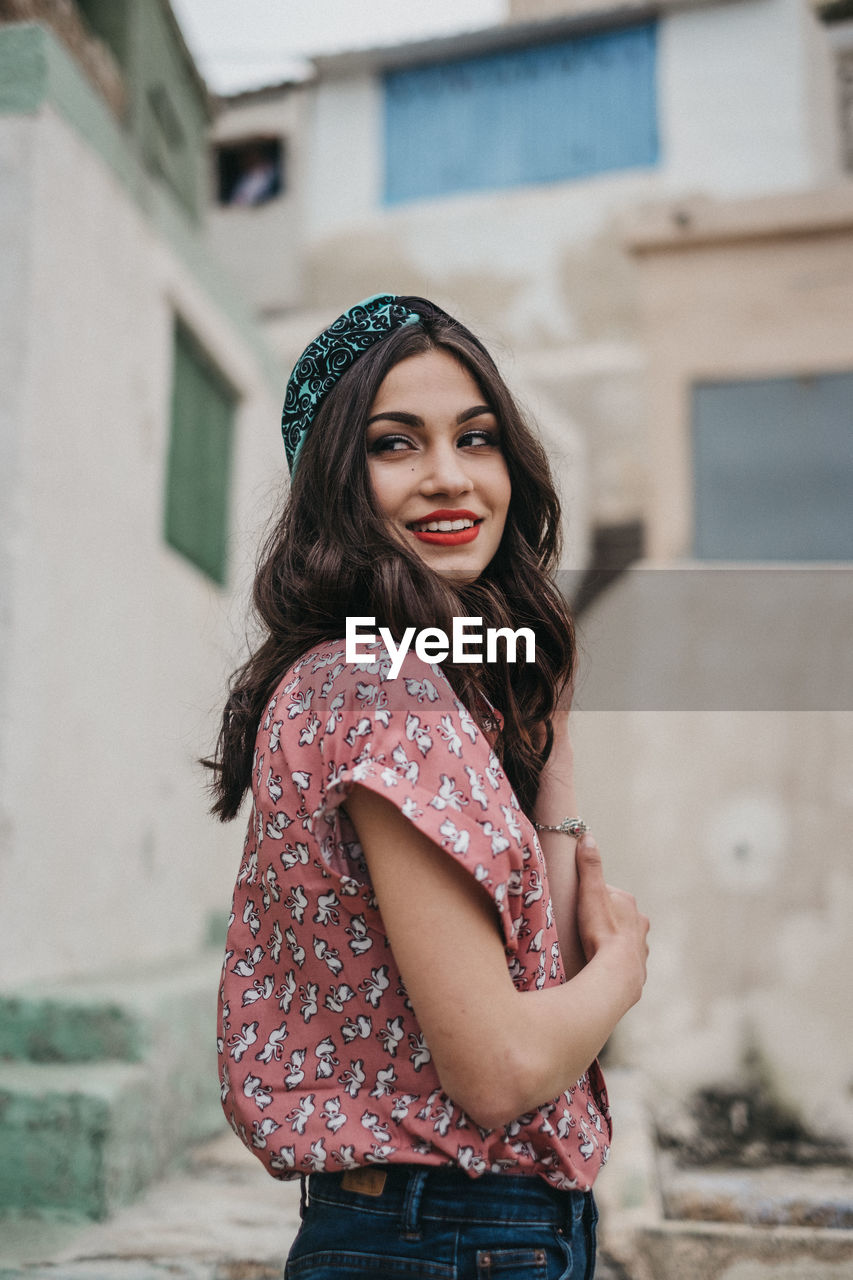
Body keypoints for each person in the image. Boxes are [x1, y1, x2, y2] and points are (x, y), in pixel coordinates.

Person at [210, 294, 649, 1279]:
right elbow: (499, 1068)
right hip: (449, 1235)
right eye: (396, 443)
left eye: (476, 437)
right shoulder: (382, 687)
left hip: (450, 1229)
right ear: (337, 480)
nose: (449, 475)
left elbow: (540, 978)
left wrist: (550, 733)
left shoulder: (390, 677)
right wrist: (625, 968)